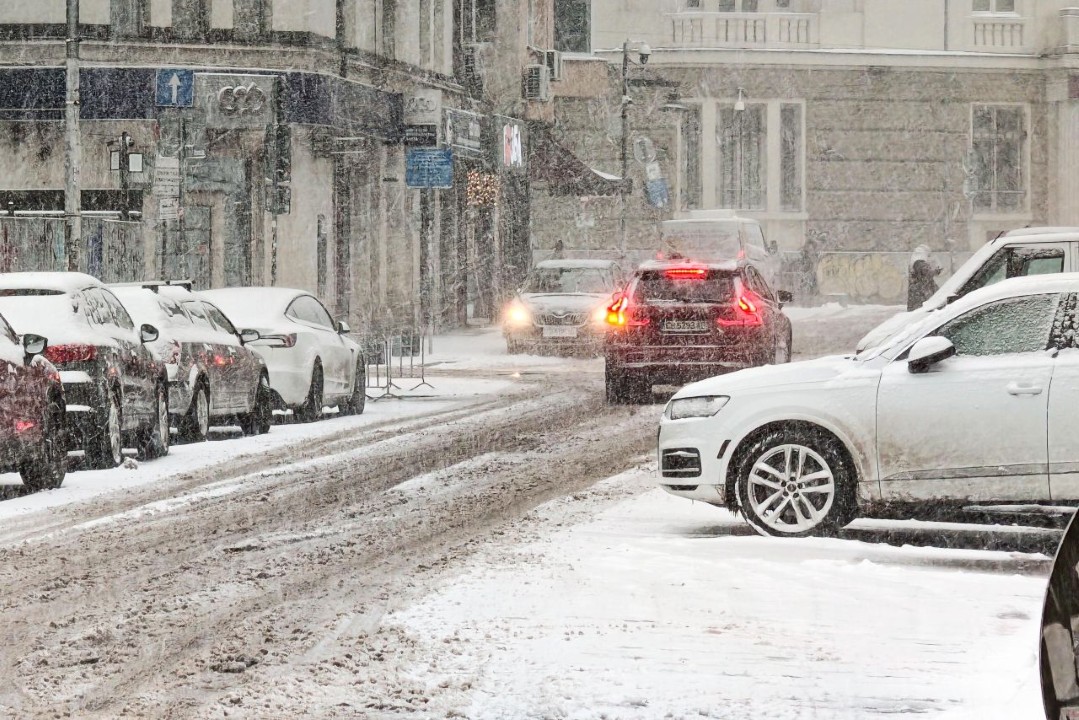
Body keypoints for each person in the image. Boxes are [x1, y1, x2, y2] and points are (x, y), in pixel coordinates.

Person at [907, 244, 941, 311]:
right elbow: (927, 273)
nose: (928, 258)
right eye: (928, 255)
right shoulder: (920, 263)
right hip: (922, 296)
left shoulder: (914, 264)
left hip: (917, 296)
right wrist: (936, 271)